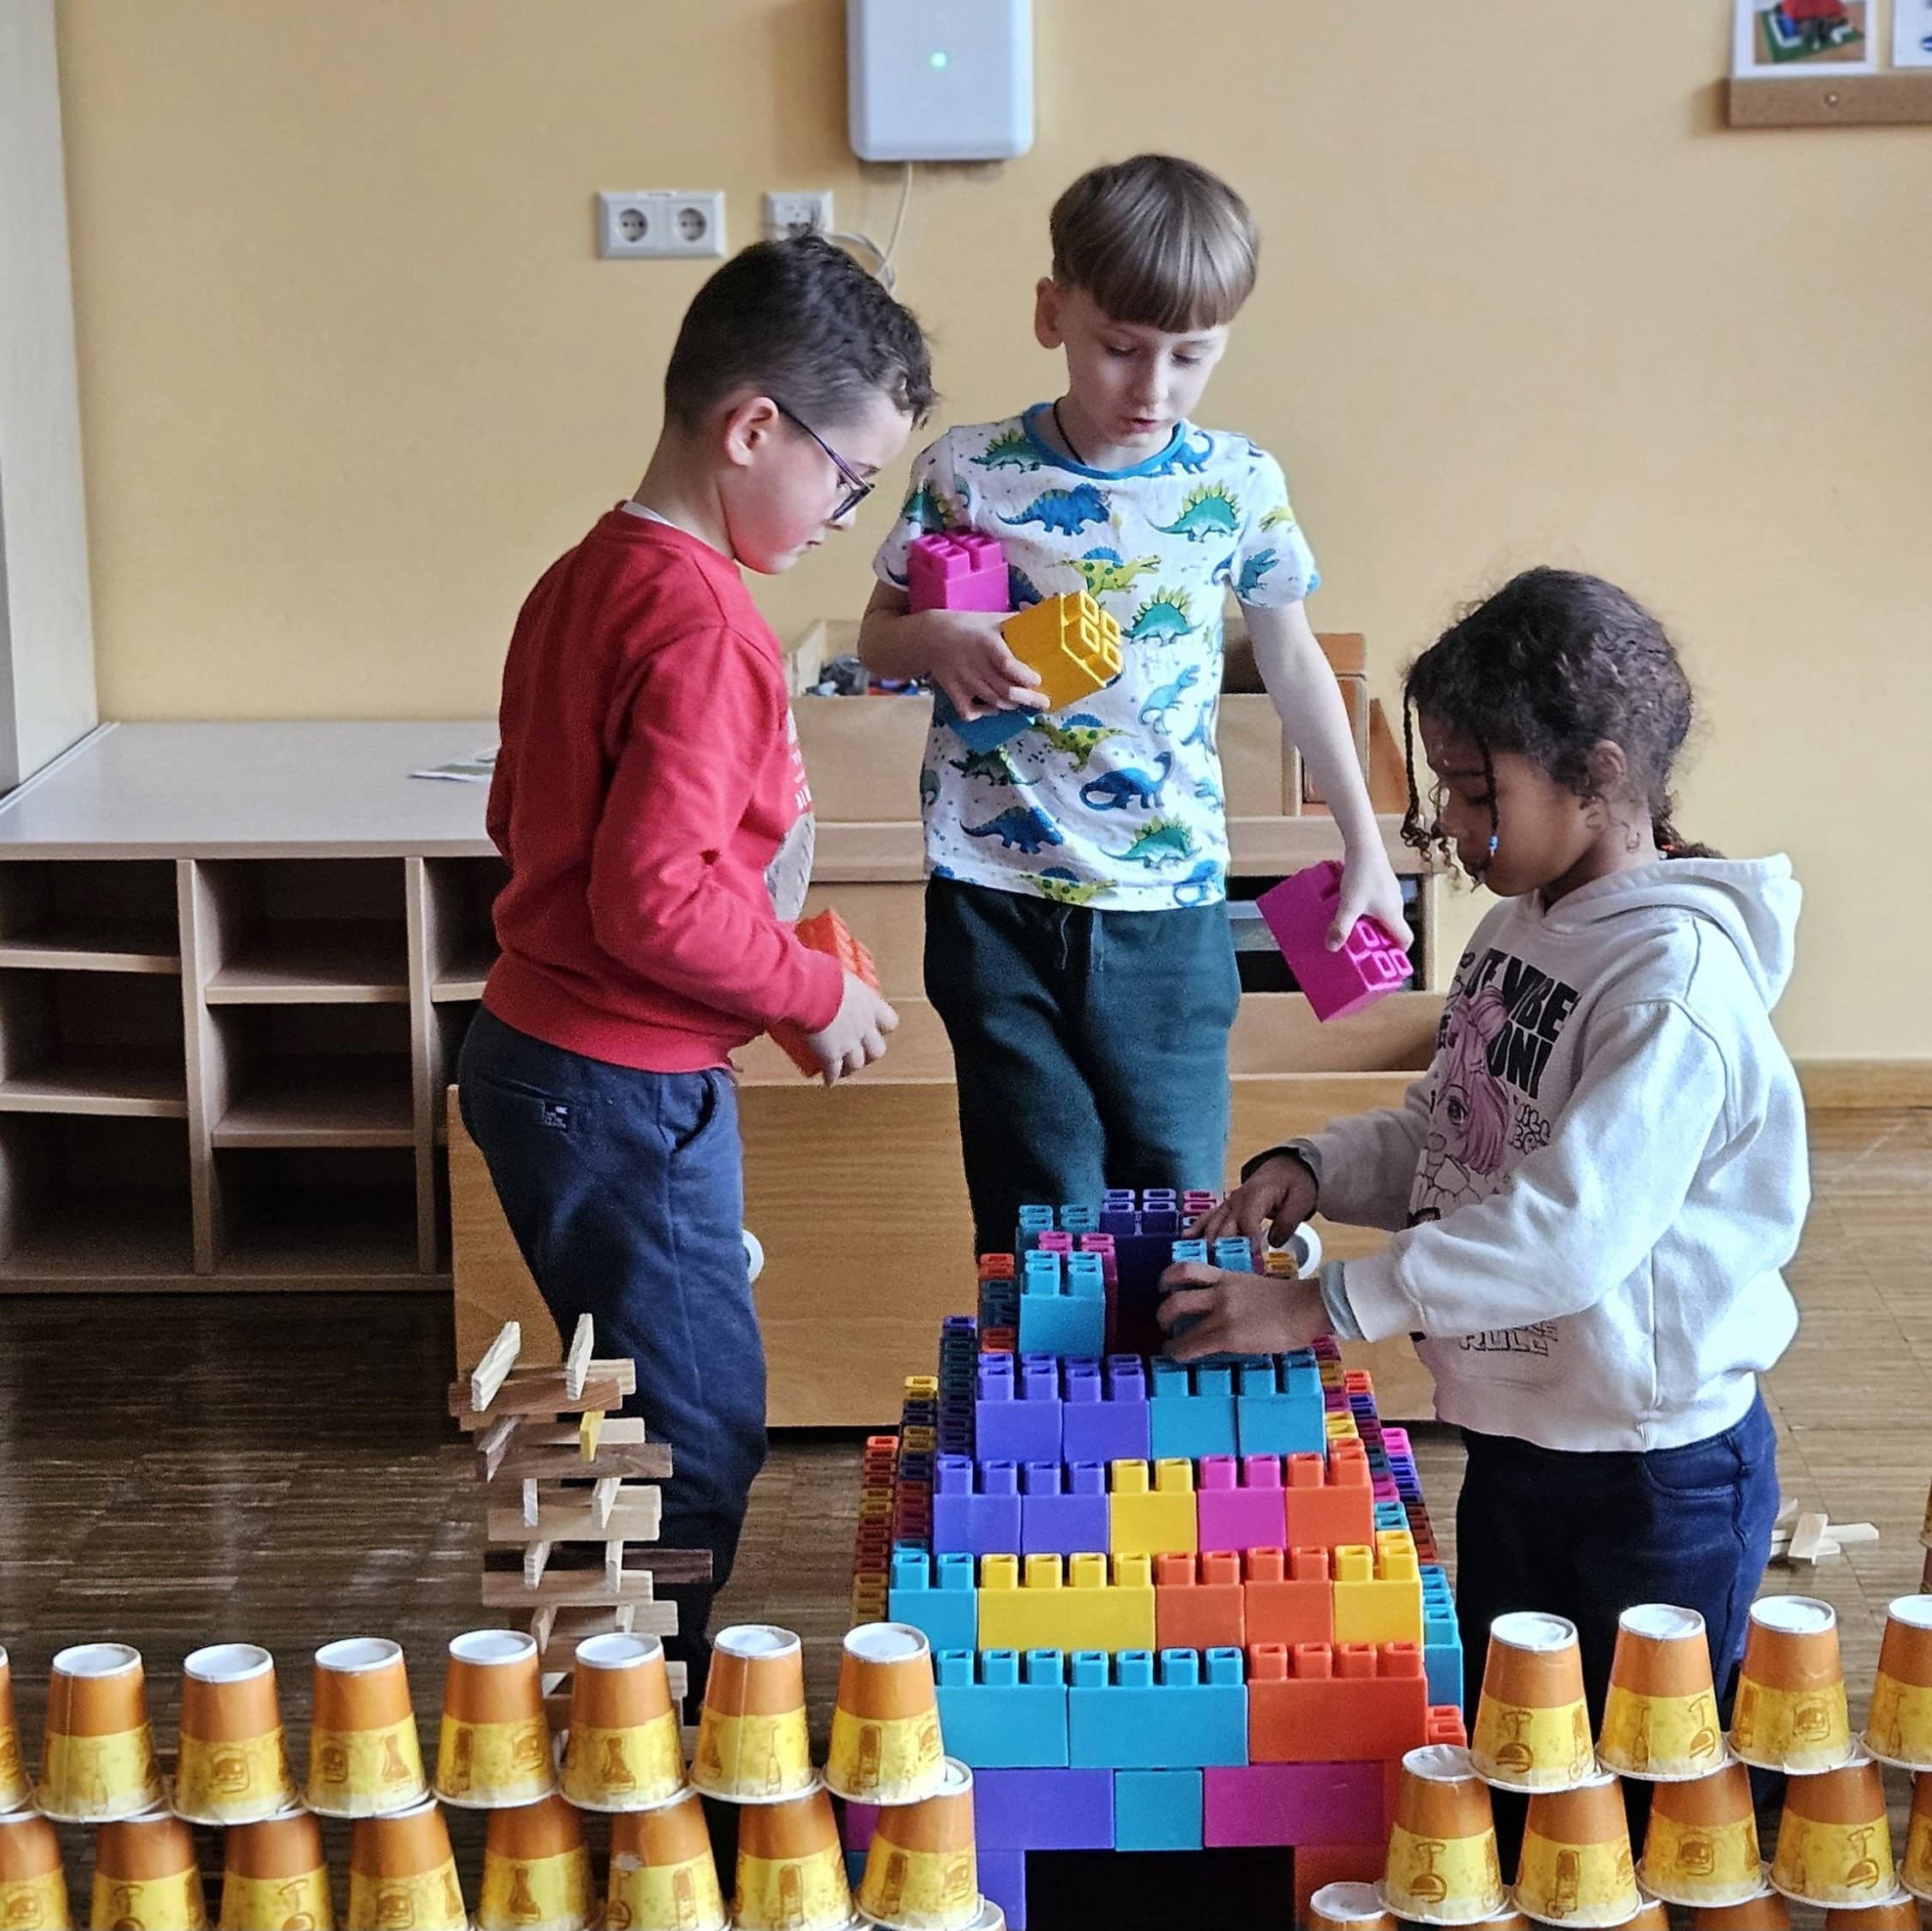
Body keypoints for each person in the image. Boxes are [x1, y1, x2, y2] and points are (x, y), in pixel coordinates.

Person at [1164, 566, 1805, 1765]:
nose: (1453, 827)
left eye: (1476, 792)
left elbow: (1567, 1232)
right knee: (1519, 1751)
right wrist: (1316, 1165)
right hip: (1515, 1431)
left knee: (1647, 1775)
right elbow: (1455, 1125)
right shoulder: (1522, 927)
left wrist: (1318, 1305)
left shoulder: (1670, 989)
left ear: (1597, 775)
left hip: (1651, 1468)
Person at [459, 237, 931, 1682]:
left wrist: (762, 955)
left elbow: (530, 821)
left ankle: (582, 1674)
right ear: (752, 427)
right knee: (698, 1430)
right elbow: (653, 900)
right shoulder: (706, 618)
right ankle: (635, 1721)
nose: (846, 518)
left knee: (634, 1402)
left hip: (546, 1056)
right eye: (846, 480)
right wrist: (809, 988)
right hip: (621, 1085)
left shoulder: (585, 575)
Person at [859, 154, 1406, 1253]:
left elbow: (1293, 660)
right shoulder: (966, 472)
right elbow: (877, 637)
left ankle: (1175, 1364)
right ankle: (1046, 1366)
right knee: (1036, 1190)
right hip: (993, 891)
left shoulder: (1236, 484)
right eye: (1119, 347)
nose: (1151, 388)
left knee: (1173, 1181)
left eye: (1189, 356)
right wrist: (936, 639)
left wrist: (1365, 845)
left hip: (1167, 898)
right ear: (1051, 314)